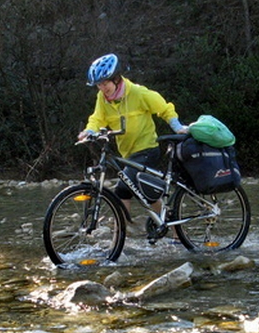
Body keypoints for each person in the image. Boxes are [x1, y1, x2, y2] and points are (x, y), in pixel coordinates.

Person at [79, 53, 186, 214]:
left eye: (105, 82)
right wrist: (89, 131)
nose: (103, 88)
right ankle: (136, 230)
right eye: (99, 85)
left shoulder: (138, 93)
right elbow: (97, 118)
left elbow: (163, 108)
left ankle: (123, 232)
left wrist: (177, 126)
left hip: (147, 148)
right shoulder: (102, 98)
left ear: (116, 78)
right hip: (128, 154)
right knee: (143, 192)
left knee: (123, 189)